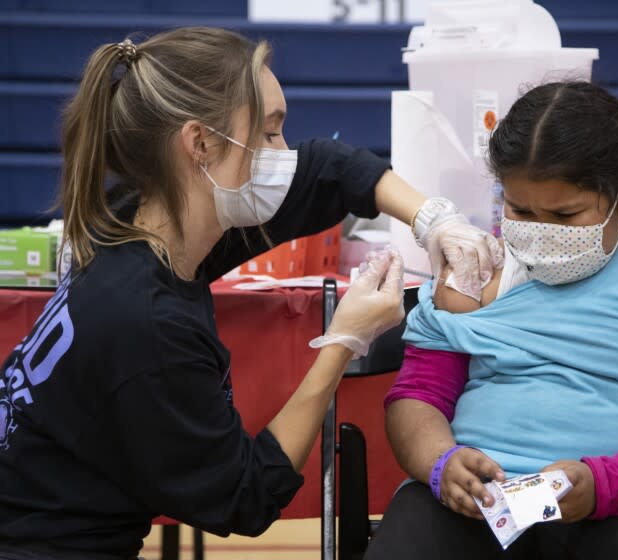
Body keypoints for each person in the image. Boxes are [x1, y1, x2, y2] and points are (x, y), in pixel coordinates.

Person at [0, 28, 502, 559]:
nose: (282, 154)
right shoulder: (146, 323)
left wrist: (433, 218)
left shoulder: (130, 224)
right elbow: (248, 496)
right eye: (268, 135)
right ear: (199, 144)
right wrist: (342, 342)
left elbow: (326, 169)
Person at [367, 82, 618, 560]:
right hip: (475, 504)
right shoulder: (474, 271)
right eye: (520, 210)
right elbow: (419, 396)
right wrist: (439, 462)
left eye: (566, 214)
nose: (541, 231)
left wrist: (603, 484)